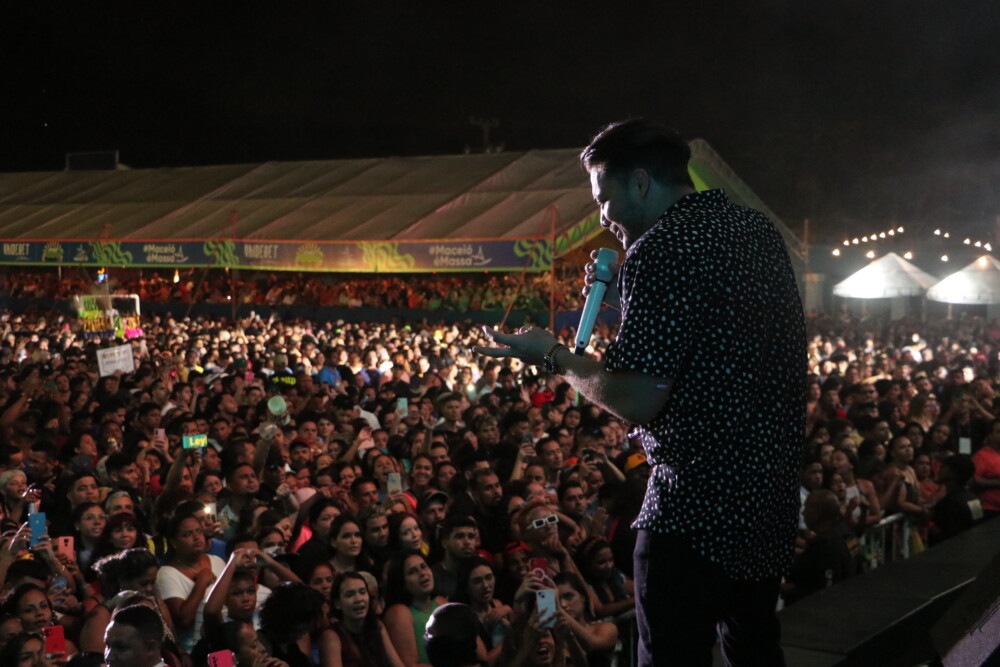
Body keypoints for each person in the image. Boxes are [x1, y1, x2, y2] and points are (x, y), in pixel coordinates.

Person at [477, 118, 806, 666]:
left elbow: (635, 399)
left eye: (604, 199)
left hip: (694, 508)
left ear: (640, 182)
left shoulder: (663, 247)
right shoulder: (755, 230)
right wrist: (625, 285)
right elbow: (716, 346)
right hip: (766, 501)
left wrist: (553, 356)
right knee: (753, 650)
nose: (602, 217)